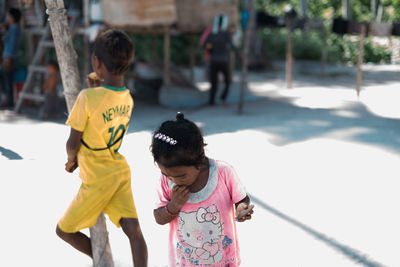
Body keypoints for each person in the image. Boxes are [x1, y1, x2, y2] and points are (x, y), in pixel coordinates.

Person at [56, 29, 148, 266]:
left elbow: (72, 143)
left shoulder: (87, 97)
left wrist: (70, 160)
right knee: (133, 231)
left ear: (96, 62)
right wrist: (96, 86)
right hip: (118, 171)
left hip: (96, 178)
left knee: (63, 230)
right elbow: (106, 108)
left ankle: (105, 261)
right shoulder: (128, 98)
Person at [152, 112, 254, 266]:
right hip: (185, 262)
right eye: (165, 174)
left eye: (180, 176)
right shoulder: (166, 181)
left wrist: (241, 208)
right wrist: (173, 206)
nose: (173, 180)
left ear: (199, 162)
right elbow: (158, 218)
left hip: (223, 260)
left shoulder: (223, 172)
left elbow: (241, 198)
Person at [204, 14, 238, 106]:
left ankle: (211, 101)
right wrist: (238, 54)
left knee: (214, 83)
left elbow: (206, 45)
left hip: (214, 61)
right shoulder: (226, 34)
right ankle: (223, 99)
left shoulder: (211, 34)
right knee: (227, 81)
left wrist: (211, 51)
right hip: (223, 61)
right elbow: (231, 46)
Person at [0, 8, 21, 107]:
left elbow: (12, 45)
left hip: (10, 58)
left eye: (7, 15)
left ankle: (9, 102)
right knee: (6, 78)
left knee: (7, 79)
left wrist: (7, 59)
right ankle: (8, 101)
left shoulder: (15, 29)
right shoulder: (12, 28)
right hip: (8, 57)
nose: (6, 17)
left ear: (11, 17)